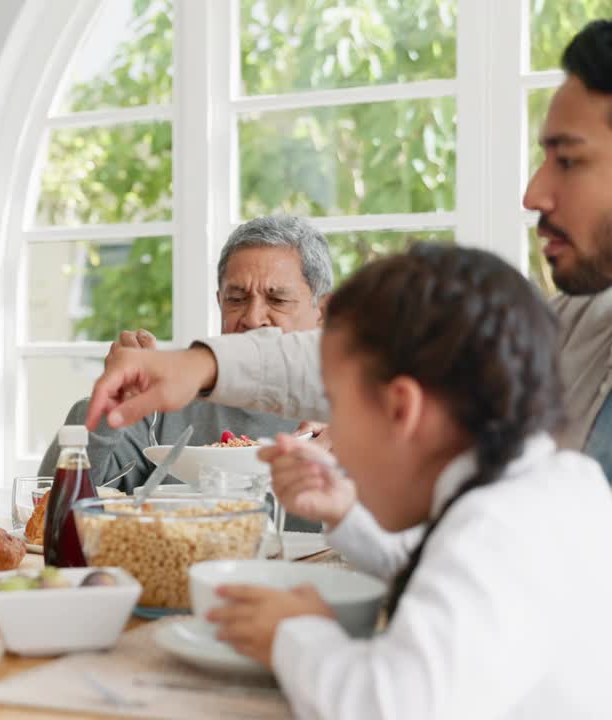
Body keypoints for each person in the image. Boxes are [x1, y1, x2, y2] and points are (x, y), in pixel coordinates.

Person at [83, 20, 612, 483]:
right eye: (236, 298)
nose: (533, 194)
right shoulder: (568, 330)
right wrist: (201, 363)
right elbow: (373, 363)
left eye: (567, 161)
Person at [204, 245, 612, 718]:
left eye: (336, 405)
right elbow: (445, 576)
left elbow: (387, 706)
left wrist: (292, 633)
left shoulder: (494, 528)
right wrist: (345, 513)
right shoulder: (556, 486)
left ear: (401, 409)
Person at [38, 216, 329, 530]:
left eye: (277, 299)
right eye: (236, 299)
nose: (253, 318)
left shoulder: (351, 411)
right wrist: (107, 408)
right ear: (219, 302)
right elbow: (50, 513)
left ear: (323, 313)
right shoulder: (165, 406)